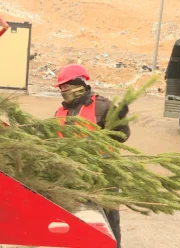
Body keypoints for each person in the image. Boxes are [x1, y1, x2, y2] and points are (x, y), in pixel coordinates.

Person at [54, 64, 130, 248]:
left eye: (66, 86)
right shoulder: (61, 111)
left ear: (79, 83)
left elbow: (123, 136)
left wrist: (118, 123)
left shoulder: (101, 106)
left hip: (103, 175)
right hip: (72, 176)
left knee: (109, 222)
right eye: (61, 88)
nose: (63, 91)